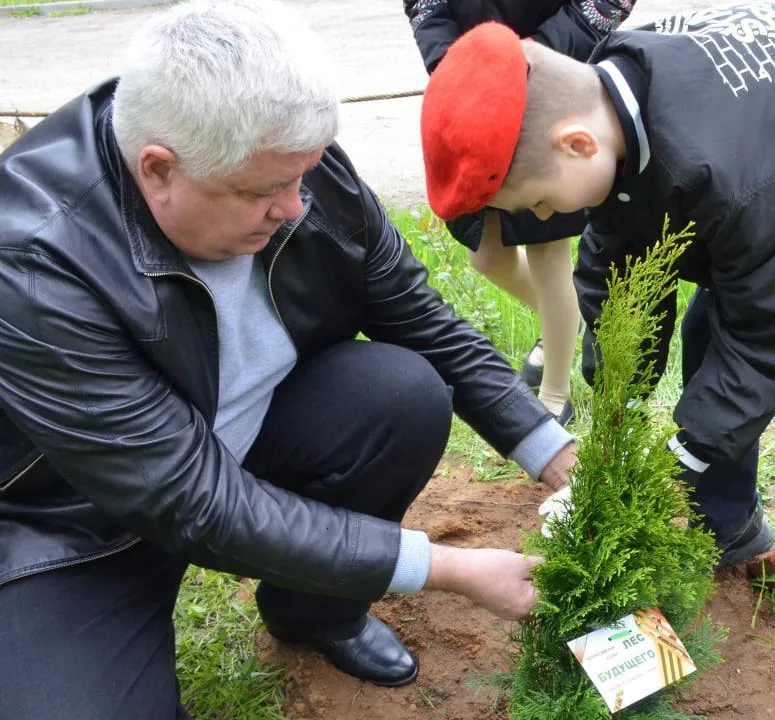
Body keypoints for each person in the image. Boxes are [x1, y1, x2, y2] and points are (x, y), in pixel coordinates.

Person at [0, 2, 576, 716]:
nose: (299, 207)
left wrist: (553, 451)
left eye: (301, 176)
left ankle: (314, 610)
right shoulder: (32, 264)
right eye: (265, 191)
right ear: (158, 170)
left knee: (401, 394)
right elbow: (192, 500)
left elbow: (420, 317)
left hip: (234, 442)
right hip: (79, 524)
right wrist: (445, 567)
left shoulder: (288, 159)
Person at [419, 4, 775, 705]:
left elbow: (773, 336)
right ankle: (730, 521)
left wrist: (677, 461)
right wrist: (617, 407)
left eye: (534, 202)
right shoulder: (615, 114)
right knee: (711, 333)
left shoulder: (740, 170)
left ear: (576, 145)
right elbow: (619, 268)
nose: (539, 220)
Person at [403, 0, 636, 425]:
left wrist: (529, 63)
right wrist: (455, 65)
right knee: (487, 257)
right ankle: (563, 325)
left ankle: (555, 392)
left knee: (549, 254)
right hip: (467, 95)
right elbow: (425, 6)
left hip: (548, 92)